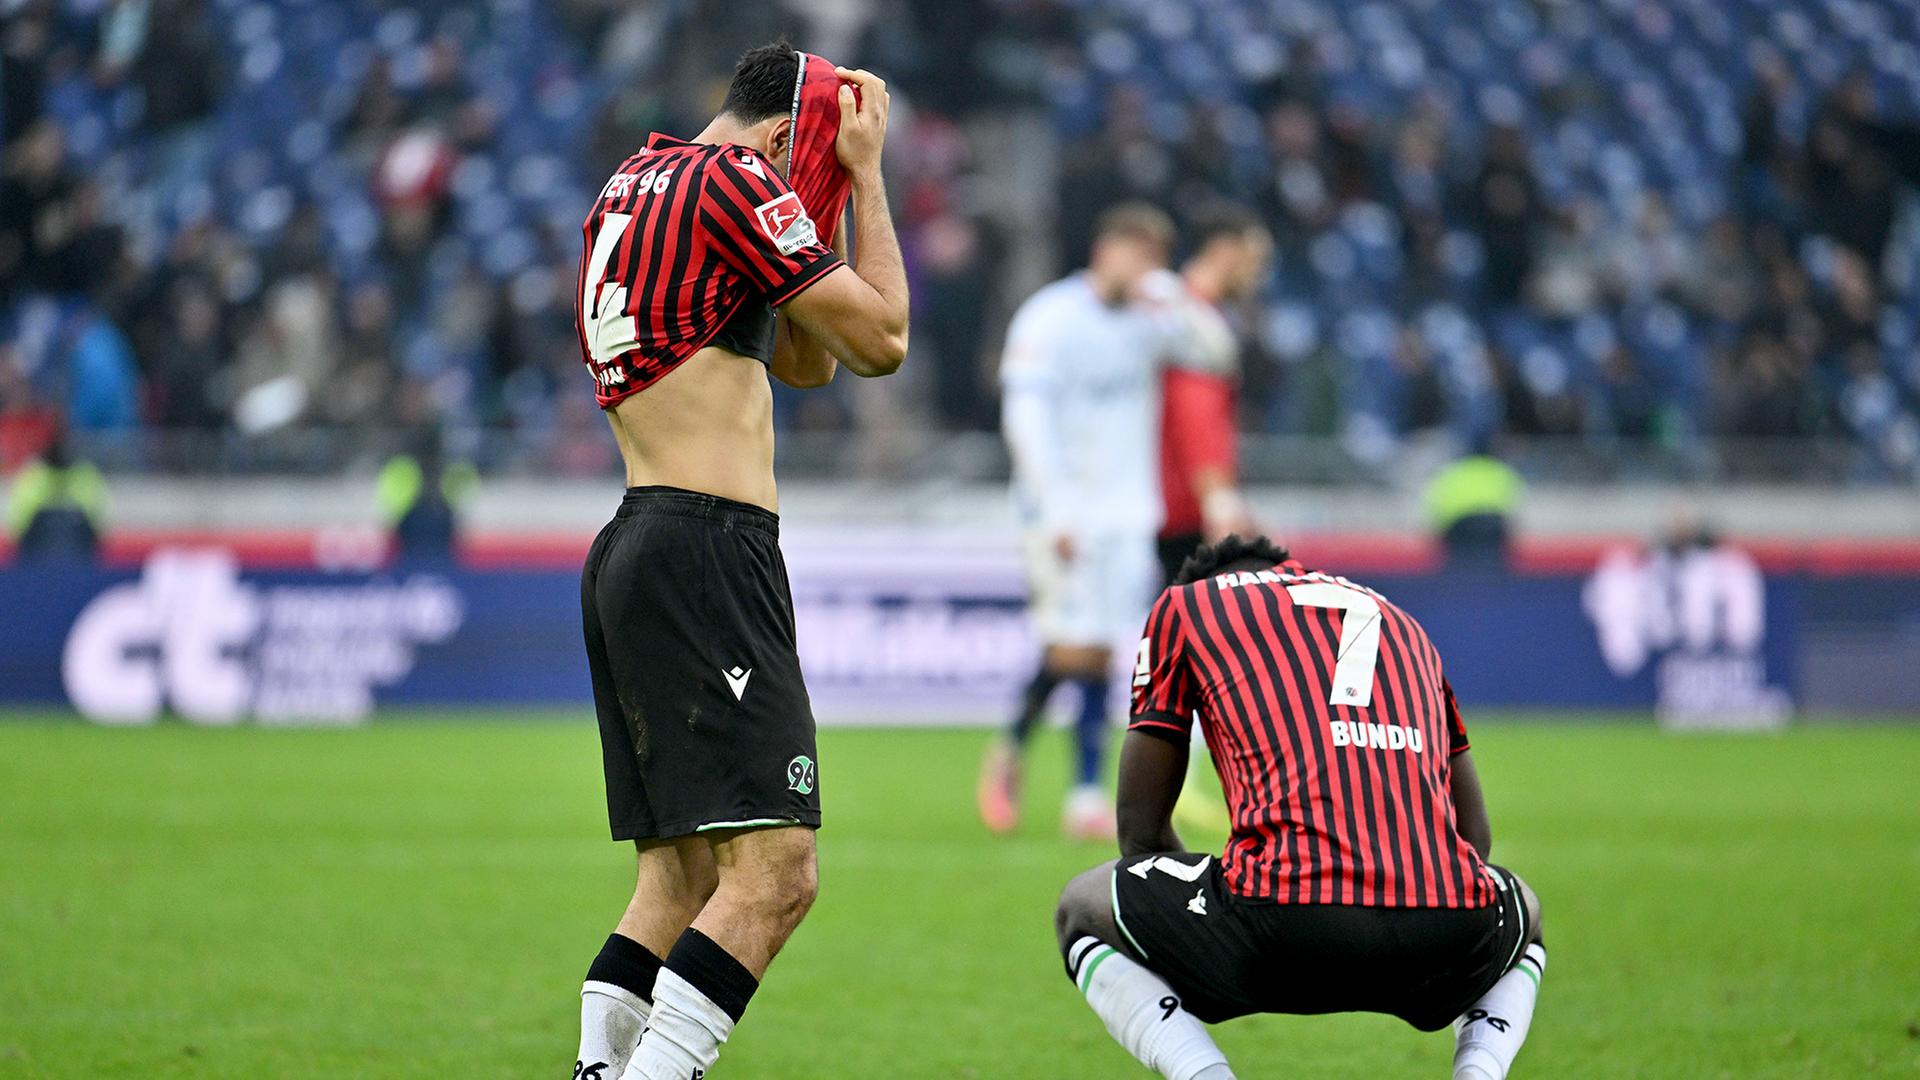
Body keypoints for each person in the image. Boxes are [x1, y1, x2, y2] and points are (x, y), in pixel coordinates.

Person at [569, 42, 909, 1080]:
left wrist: (819, 204)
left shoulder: (640, 178)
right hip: (707, 549)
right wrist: (866, 176)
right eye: (803, 164)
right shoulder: (736, 180)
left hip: (633, 543)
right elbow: (882, 338)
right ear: (779, 143)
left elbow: (806, 356)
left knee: (676, 885)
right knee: (777, 876)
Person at [1055, 535, 1546, 1080]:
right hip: (1444, 929)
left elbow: (1140, 835)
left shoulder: (1188, 604)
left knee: (1085, 905)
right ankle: (1479, 1072)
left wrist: (1210, 914)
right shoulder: (1406, 625)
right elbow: (1474, 838)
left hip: (1280, 923)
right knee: (1521, 904)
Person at [979, 203, 1175, 840]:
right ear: (1105, 249)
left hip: (1127, 511)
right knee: (1076, 647)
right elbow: (1025, 420)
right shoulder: (1051, 316)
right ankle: (1048, 769)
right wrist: (1054, 504)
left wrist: (1175, 295)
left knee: (1098, 647)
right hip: (1060, 511)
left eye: (1155, 263)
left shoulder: (1152, 320)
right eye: (1137, 256)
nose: (1143, 271)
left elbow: (1218, 351)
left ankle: (1060, 776)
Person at [7, 431, 107, 563]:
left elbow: (98, 529)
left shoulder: (84, 476)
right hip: (39, 562)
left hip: (76, 561)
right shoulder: (33, 476)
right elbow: (18, 530)